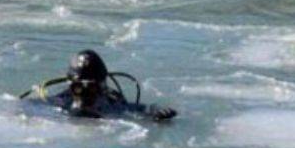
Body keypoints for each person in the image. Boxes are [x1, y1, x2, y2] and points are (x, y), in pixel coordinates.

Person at [20, 50, 177, 121]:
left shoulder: (112, 102)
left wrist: (156, 111)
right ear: (72, 86)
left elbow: (141, 109)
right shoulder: (61, 101)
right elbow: (26, 105)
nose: (85, 93)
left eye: (92, 87)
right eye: (79, 87)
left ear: (102, 86)